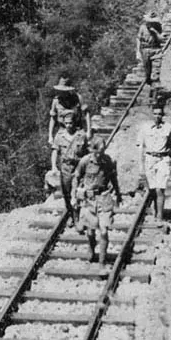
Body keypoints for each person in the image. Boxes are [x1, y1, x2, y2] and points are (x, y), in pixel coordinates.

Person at [73, 136, 122, 264]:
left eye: (103, 151)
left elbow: (113, 177)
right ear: (92, 150)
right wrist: (74, 196)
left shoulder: (107, 160)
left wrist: (118, 193)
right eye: (99, 152)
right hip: (89, 199)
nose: (101, 154)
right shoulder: (85, 161)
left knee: (104, 231)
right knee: (90, 231)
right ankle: (91, 247)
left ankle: (102, 262)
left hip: (104, 198)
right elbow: (76, 178)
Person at [138, 104, 171, 225]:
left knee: (160, 189)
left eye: (159, 114)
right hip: (149, 158)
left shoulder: (168, 127)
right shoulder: (145, 128)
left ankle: (159, 215)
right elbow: (140, 147)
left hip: (163, 159)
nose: (157, 116)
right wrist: (141, 165)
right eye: (155, 114)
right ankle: (155, 210)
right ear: (152, 114)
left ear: (162, 115)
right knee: (152, 189)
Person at [50, 110, 89, 227]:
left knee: (78, 192)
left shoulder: (81, 135)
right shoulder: (59, 136)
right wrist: (54, 166)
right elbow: (55, 151)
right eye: (66, 123)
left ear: (74, 123)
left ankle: (77, 217)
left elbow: (87, 153)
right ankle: (71, 214)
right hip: (66, 167)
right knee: (66, 193)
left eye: (70, 123)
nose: (68, 125)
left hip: (78, 166)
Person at [48, 77, 90, 150]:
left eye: (64, 91)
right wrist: (50, 135)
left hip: (77, 130)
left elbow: (86, 114)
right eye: (60, 90)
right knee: (56, 150)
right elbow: (53, 119)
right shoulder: (56, 101)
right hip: (62, 130)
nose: (62, 92)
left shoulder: (77, 98)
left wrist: (89, 130)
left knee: (80, 150)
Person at [136, 12, 163, 103]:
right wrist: (138, 52)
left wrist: (155, 31)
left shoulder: (158, 27)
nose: (151, 23)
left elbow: (161, 39)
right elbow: (139, 39)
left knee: (155, 75)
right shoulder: (142, 27)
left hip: (156, 51)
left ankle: (155, 99)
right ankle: (151, 85)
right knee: (148, 75)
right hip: (145, 51)